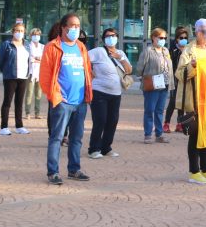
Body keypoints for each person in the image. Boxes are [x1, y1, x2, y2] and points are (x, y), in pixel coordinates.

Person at [41, 13, 93, 185]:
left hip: (80, 101)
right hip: (62, 102)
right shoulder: (52, 47)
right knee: (56, 137)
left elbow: (87, 70)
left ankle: (74, 169)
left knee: (77, 138)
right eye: (72, 25)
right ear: (63, 27)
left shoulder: (81, 47)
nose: (76, 29)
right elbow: (46, 76)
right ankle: (53, 172)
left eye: (78, 26)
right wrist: (55, 96)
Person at [176, 18, 206, 185]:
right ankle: (194, 171)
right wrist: (193, 66)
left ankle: (205, 169)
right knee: (196, 135)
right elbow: (180, 74)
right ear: (197, 33)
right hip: (195, 101)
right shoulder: (189, 51)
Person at [88, 28, 131, 159]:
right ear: (103, 39)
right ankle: (94, 149)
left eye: (113, 36)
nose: (111, 38)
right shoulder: (99, 51)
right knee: (100, 120)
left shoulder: (121, 53)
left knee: (112, 121)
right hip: (99, 91)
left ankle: (106, 147)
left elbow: (128, 70)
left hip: (116, 93)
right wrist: (90, 72)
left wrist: (121, 58)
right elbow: (83, 59)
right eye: (108, 36)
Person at [137, 28, 173, 144]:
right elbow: (140, 67)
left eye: (164, 38)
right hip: (152, 84)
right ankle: (148, 134)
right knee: (150, 109)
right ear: (153, 37)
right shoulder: (148, 51)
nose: (163, 40)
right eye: (160, 38)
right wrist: (144, 77)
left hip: (165, 84)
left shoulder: (165, 51)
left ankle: (159, 134)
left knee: (160, 110)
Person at [0, 22, 32, 136]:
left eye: (22, 31)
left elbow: (28, 60)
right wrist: (6, 71)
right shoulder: (6, 44)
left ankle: (19, 126)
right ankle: (4, 127)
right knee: (7, 101)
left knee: (19, 102)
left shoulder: (27, 45)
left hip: (23, 77)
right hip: (10, 77)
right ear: (13, 32)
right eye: (17, 31)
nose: (19, 33)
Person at [164, 26, 191, 133]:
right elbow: (171, 64)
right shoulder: (172, 49)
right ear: (176, 39)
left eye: (185, 37)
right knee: (173, 101)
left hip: (185, 78)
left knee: (182, 101)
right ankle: (166, 123)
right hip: (175, 78)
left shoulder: (188, 49)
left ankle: (180, 123)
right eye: (181, 37)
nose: (183, 39)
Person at [25, 28, 45, 120]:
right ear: (30, 36)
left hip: (40, 73)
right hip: (31, 72)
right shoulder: (28, 46)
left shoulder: (42, 46)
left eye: (38, 35)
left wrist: (36, 59)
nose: (36, 36)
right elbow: (29, 57)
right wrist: (37, 59)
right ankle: (27, 112)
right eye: (34, 34)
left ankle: (37, 113)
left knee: (38, 94)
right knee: (29, 93)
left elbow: (44, 59)